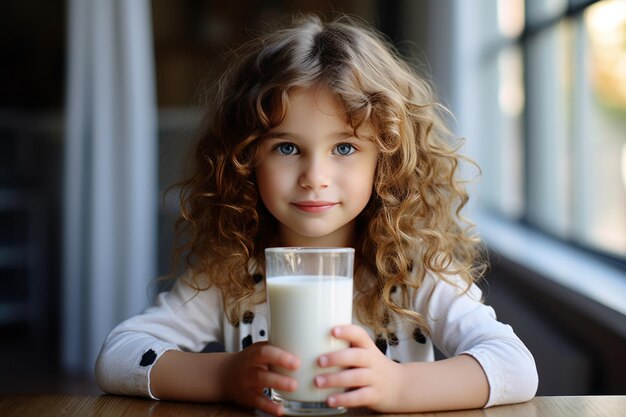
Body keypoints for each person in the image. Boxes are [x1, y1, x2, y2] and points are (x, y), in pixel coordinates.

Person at [96, 13, 538, 415]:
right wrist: (225, 376)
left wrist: (397, 384)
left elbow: (515, 366)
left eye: (344, 148)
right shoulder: (230, 274)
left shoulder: (413, 273)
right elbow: (118, 355)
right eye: (287, 148)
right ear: (245, 160)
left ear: (386, 161)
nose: (315, 177)